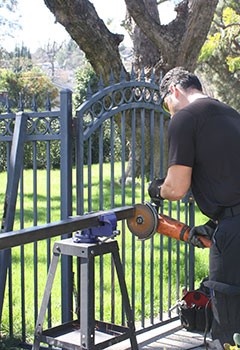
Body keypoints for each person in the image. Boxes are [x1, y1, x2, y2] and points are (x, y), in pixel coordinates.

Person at [148, 67, 240, 349]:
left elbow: (176, 189)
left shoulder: (185, 118)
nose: (170, 114)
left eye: (167, 106)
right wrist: (216, 222)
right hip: (230, 221)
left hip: (233, 234)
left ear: (174, 90)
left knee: (229, 324)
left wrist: (157, 190)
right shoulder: (231, 114)